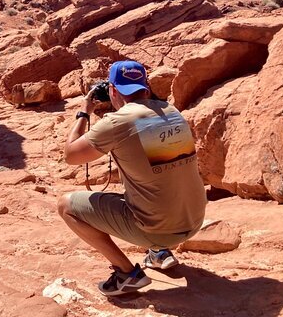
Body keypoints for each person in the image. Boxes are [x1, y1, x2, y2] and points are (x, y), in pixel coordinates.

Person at [57, 60, 206, 296]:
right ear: (146, 86)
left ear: (113, 91)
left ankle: (127, 275)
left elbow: (71, 155)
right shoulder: (171, 111)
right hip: (193, 220)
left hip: (160, 230)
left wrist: (84, 111)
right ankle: (159, 253)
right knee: (153, 176)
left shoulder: (119, 122)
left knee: (66, 206)